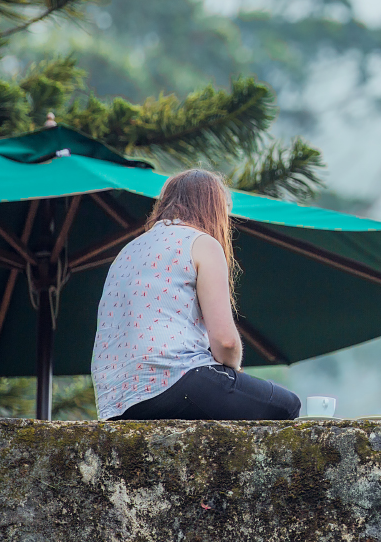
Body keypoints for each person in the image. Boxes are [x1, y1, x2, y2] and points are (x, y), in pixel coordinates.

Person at [91, 169, 301, 421]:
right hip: (173, 382)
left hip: (115, 403)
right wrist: (234, 370)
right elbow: (225, 343)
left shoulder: (126, 252)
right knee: (287, 405)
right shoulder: (200, 242)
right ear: (213, 208)